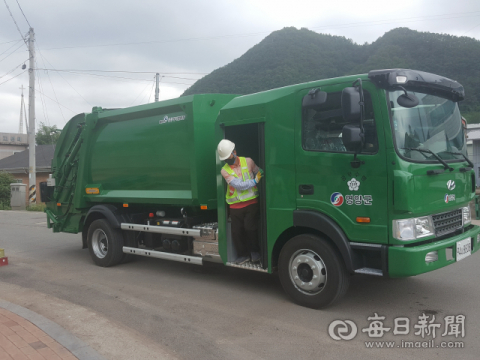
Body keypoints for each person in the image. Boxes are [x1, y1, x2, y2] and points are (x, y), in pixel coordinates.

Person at [217, 139, 264, 265]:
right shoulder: (224, 170)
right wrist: (255, 181)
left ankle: (255, 253)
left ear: (235, 152)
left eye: (229, 156)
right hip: (235, 206)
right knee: (236, 232)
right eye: (225, 158)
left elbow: (258, 171)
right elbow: (238, 185)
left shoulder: (248, 161)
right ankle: (243, 255)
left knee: (250, 229)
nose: (228, 160)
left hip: (251, 203)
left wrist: (260, 174)